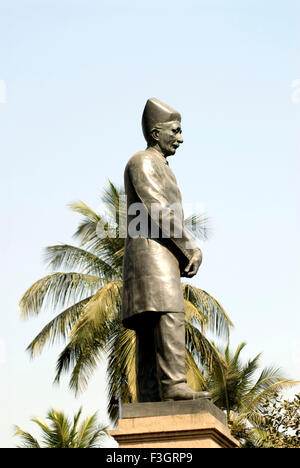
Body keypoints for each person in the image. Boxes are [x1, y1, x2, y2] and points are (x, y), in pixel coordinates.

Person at [122, 98, 210, 402]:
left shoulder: (160, 165)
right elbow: (157, 209)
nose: (181, 138)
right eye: (175, 131)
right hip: (151, 255)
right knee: (168, 315)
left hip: (159, 255)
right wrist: (190, 248)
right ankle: (173, 385)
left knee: (153, 324)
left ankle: (150, 395)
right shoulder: (143, 161)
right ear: (156, 133)